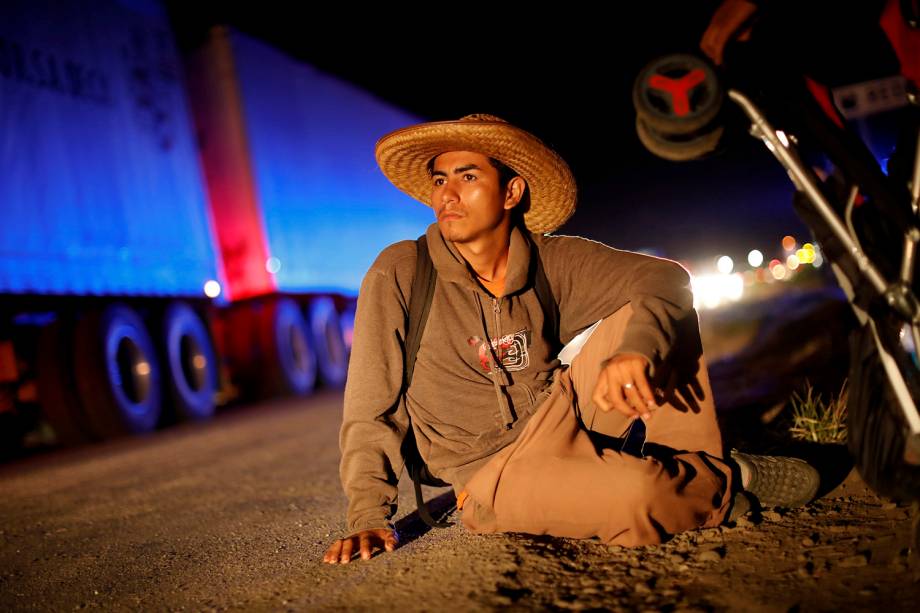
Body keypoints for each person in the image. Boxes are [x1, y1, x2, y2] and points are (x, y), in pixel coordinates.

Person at [322, 114, 819, 565]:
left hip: (564, 416)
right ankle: (721, 483)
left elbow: (666, 279)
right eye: (439, 179)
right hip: (491, 476)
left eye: (467, 177)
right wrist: (368, 514)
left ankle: (690, 465)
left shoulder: (549, 260)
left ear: (511, 192)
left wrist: (635, 350)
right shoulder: (402, 271)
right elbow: (371, 405)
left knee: (650, 311)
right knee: (636, 498)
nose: (447, 195)